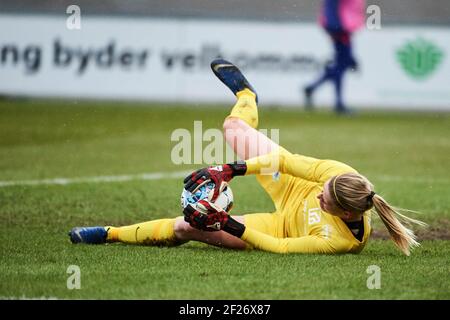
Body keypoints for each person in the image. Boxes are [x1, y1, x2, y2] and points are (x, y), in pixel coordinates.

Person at [69, 59, 425, 255]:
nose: (321, 192)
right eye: (325, 188)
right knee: (233, 129)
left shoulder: (343, 242)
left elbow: (281, 247)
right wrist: (227, 169)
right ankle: (247, 94)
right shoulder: (338, 173)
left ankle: (109, 234)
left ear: (347, 213)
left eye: (326, 199)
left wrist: (223, 221)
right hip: (289, 183)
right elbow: (284, 163)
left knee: (186, 227)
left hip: (280, 225)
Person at [304, 0, 365, 113]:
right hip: (340, 28)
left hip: (340, 27)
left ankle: (312, 88)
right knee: (341, 66)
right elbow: (333, 7)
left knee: (340, 65)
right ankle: (338, 104)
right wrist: (336, 26)